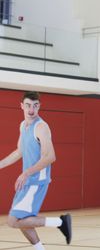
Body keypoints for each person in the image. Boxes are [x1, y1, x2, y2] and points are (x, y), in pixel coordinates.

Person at [0, 91, 72, 249]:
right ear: (21, 106)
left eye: (35, 106)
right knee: (23, 222)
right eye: (28, 105)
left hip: (36, 181)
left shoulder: (41, 127)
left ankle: (61, 222)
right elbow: (19, 151)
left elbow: (50, 157)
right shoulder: (23, 125)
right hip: (27, 181)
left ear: (39, 106)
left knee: (13, 221)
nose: (31, 110)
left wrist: (26, 173)